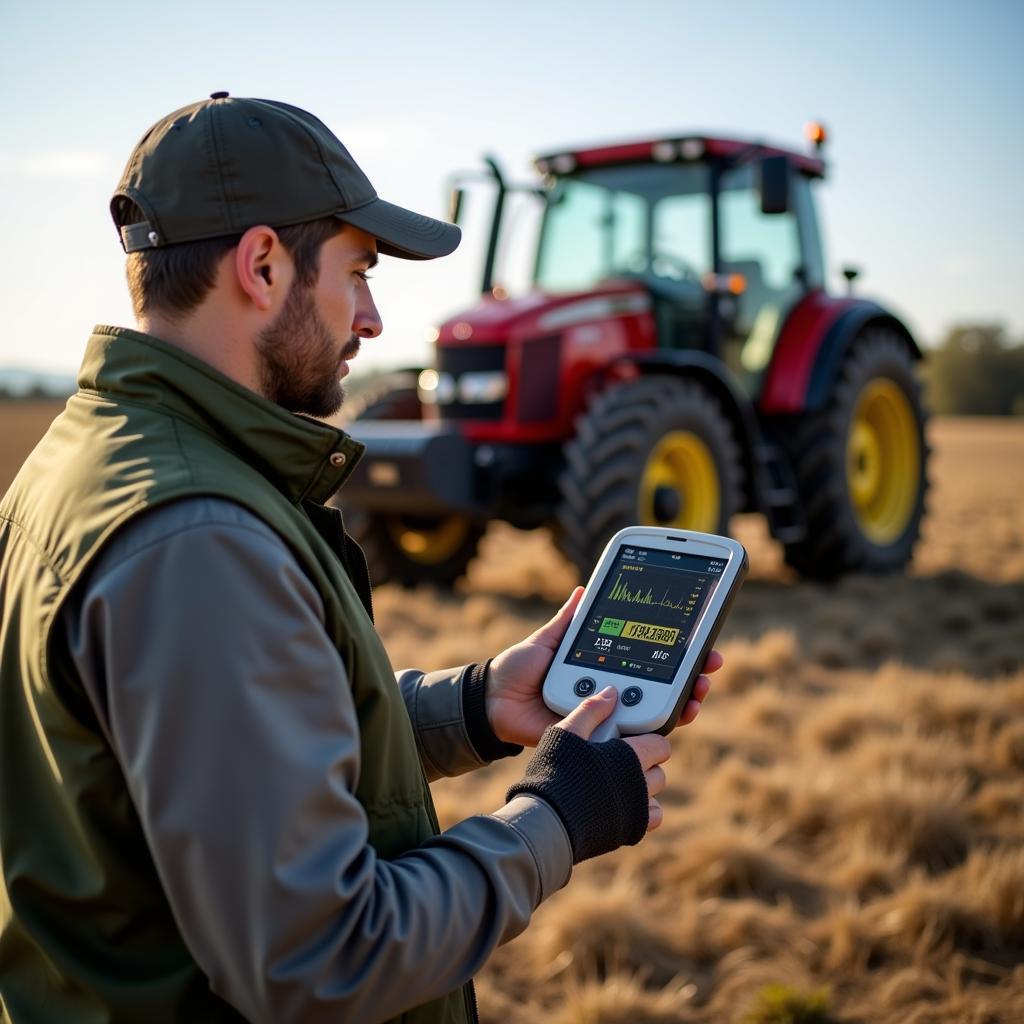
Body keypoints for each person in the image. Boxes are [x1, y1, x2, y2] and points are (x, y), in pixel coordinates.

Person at [0, 93, 719, 1024]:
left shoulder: (84, 459)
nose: (373, 318)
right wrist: (555, 817)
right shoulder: (199, 544)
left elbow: (213, 765)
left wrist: (474, 705)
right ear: (262, 264)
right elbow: (324, 957)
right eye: (358, 271)